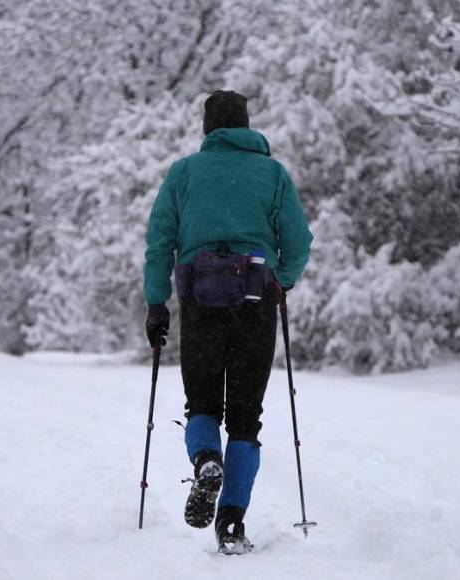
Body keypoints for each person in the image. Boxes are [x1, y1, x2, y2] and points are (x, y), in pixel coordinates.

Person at [143, 90, 313, 553]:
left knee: (201, 401)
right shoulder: (272, 173)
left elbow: (160, 241)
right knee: (245, 418)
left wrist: (156, 302)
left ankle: (204, 460)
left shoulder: (183, 173)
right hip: (256, 299)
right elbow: (298, 239)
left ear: (208, 130)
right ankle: (232, 525)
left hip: (200, 299)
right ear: (246, 126)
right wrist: (283, 280)